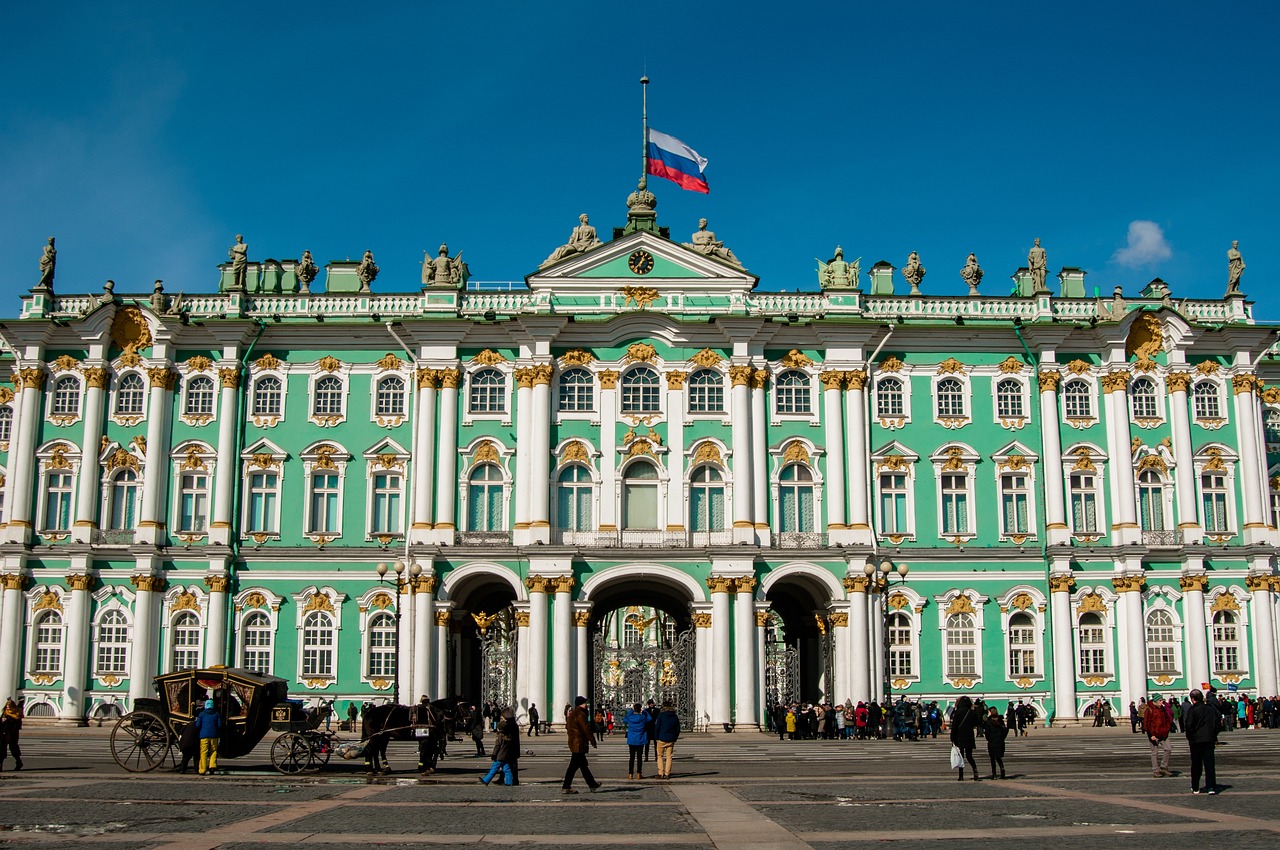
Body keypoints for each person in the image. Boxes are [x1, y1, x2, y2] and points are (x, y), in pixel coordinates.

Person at [1184, 688, 1220, 794]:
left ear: (1193, 699)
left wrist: (1190, 738)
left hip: (1196, 741)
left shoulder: (1193, 710)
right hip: (1209, 740)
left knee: (1196, 764)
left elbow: (1189, 726)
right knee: (1209, 765)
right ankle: (1211, 787)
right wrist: (1213, 736)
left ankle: (1195, 787)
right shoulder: (1211, 709)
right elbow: (1217, 724)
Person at [562, 696, 600, 794]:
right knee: (574, 766)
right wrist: (593, 741)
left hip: (574, 742)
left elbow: (568, 727)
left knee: (582, 765)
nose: (586, 704)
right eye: (585, 703)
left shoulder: (572, 714)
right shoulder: (581, 714)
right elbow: (586, 729)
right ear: (581, 704)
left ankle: (592, 784)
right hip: (579, 743)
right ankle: (566, 787)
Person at [480, 707, 519, 786]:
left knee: (496, 768)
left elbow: (497, 746)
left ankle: (487, 780)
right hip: (509, 750)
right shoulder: (513, 724)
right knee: (507, 767)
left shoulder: (504, 730)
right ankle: (509, 781)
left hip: (504, 753)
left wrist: (494, 754)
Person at [949, 695, 981, 781]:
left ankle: (961, 775)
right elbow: (976, 723)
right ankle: (975, 770)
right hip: (969, 736)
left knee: (961, 756)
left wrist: (952, 737)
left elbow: (954, 726)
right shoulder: (971, 712)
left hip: (959, 736)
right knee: (969, 756)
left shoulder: (958, 712)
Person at [1143, 694, 1173, 778]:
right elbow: (1146, 723)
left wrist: (1167, 729)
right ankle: (1156, 770)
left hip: (1163, 733)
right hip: (1153, 734)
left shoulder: (1162, 709)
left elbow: (1167, 720)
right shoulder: (1149, 710)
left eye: (1162, 700)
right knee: (1154, 752)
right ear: (1155, 701)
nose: (1162, 702)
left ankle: (1164, 766)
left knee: (1168, 748)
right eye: (1160, 700)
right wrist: (1151, 734)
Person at [653, 701, 680, 780]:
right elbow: (677, 728)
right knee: (669, 757)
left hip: (661, 737)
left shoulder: (661, 715)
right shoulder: (674, 716)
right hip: (671, 738)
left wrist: (656, 737)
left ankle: (661, 773)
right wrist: (675, 737)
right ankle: (667, 773)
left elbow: (657, 727)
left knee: (660, 756)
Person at [195, 698, 222, 776]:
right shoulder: (216, 714)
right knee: (213, 751)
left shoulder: (202, 714)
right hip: (214, 736)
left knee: (203, 752)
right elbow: (219, 725)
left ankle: (202, 770)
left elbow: (197, 725)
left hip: (204, 736)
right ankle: (212, 766)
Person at [624, 702, 649, 780]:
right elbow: (650, 718)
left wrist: (631, 711)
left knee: (631, 757)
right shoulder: (643, 718)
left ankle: (630, 773)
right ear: (640, 709)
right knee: (639, 757)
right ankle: (639, 773)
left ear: (634, 709)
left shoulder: (630, 718)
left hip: (632, 740)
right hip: (640, 739)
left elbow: (624, 719)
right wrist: (644, 711)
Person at [983, 706, 1008, 779]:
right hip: (1000, 741)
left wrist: (988, 739)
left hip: (992, 741)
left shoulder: (989, 721)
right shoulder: (1000, 720)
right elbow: (1005, 730)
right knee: (998, 757)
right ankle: (1002, 769)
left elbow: (987, 732)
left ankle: (994, 774)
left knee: (992, 758)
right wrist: (1002, 738)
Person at [0, 698, 24, 771]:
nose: (8, 707)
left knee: (13, 749)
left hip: (12, 735)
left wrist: (8, 721)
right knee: (1, 749)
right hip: (3, 734)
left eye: (9, 706)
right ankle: (0, 764)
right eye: (7, 706)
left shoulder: (17, 715)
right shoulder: (4, 713)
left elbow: (17, 726)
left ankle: (18, 762)